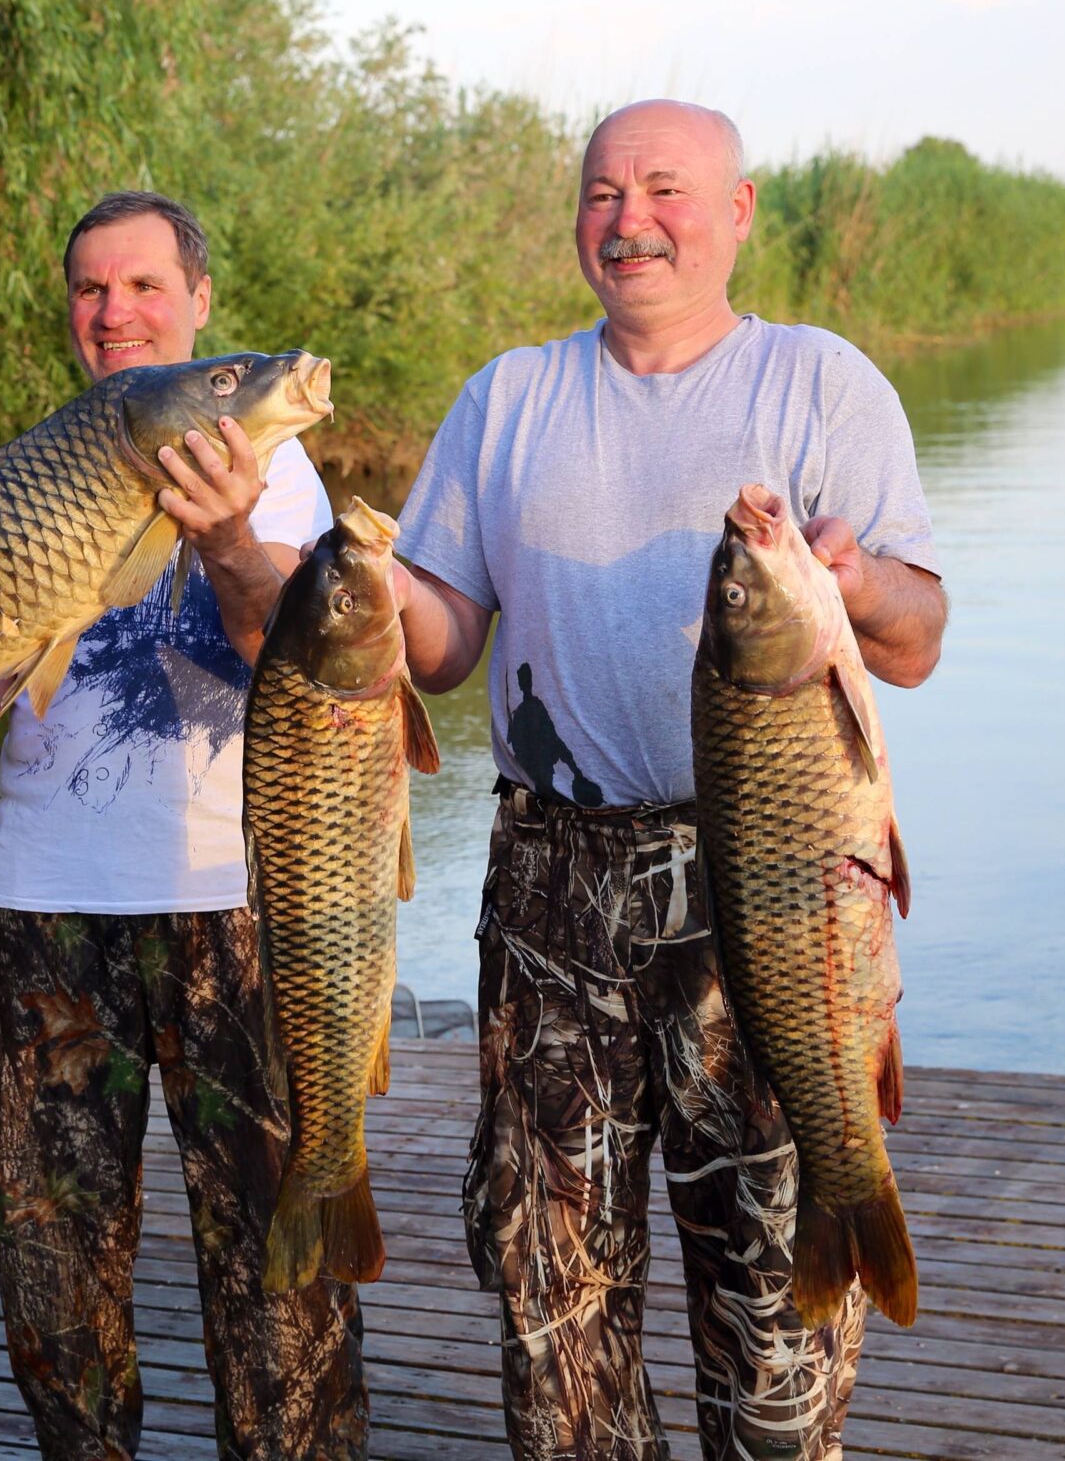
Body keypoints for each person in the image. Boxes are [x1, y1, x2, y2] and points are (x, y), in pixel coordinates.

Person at [0, 192, 370, 1460]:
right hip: (41, 902)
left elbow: (304, 668)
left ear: (199, 299)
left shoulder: (283, 468)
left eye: (144, 286)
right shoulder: (43, 465)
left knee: (274, 1276)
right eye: (91, 291)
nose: (115, 314)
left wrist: (225, 536)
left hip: (232, 900)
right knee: (56, 1274)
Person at [391, 100, 947, 1460]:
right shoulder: (509, 395)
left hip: (764, 880)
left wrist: (851, 578)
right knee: (550, 1273)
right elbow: (447, 642)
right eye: (601, 192)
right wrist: (339, 585)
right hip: (550, 882)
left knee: (768, 1273)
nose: (629, 218)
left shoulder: (821, 382)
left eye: (665, 189)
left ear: (739, 212)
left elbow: (920, 641)